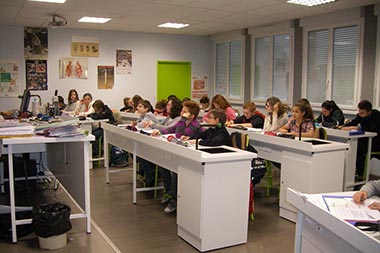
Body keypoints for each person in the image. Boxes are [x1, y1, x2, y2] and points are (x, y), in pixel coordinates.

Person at [154, 100, 201, 213]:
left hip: (191, 158)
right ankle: (169, 192)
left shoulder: (195, 125)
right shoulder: (181, 121)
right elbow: (169, 130)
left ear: (192, 115)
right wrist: (158, 132)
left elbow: (179, 134)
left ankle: (175, 199)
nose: (181, 114)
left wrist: (183, 120)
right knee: (163, 164)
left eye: (185, 112)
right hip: (180, 152)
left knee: (175, 171)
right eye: (182, 111)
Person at [341, 100, 380, 179]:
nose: (360, 114)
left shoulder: (376, 116)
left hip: (376, 143)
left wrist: (353, 128)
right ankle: (352, 174)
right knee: (355, 147)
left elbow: (370, 129)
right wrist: (343, 126)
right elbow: (355, 122)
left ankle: (361, 176)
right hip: (366, 141)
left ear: (369, 112)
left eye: (362, 113)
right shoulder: (360, 115)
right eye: (359, 112)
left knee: (359, 150)